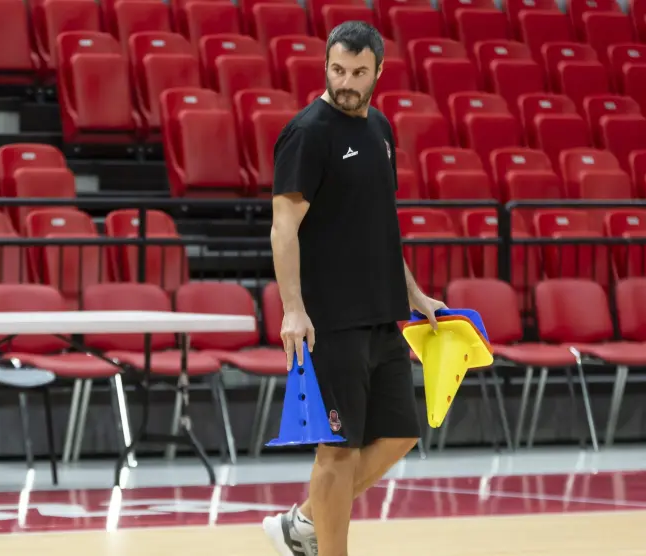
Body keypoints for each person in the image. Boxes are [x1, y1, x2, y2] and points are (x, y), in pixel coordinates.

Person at [261, 21, 445, 556]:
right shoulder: (307, 133)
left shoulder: (381, 130)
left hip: (382, 313)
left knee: (400, 433)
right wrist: (293, 310)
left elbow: (380, 223)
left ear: (379, 72)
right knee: (337, 451)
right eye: (338, 70)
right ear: (326, 65)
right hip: (329, 321)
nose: (346, 81)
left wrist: (413, 292)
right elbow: (283, 228)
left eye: (358, 73)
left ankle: (300, 524)